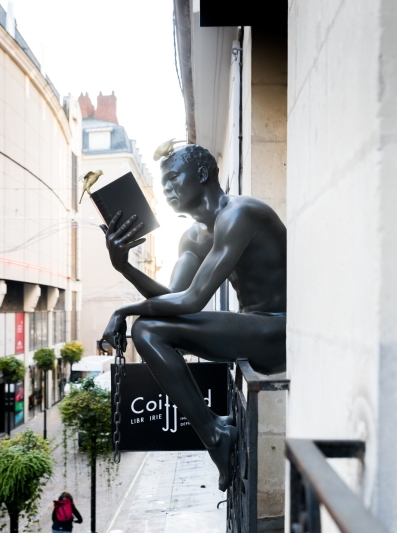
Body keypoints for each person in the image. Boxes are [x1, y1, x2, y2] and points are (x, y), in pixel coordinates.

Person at [100, 144, 286, 492]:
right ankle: (214, 431)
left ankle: (216, 434)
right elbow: (172, 297)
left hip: (280, 331)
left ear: (203, 174)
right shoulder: (195, 237)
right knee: (149, 329)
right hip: (254, 329)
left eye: (173, 179)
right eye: (163, 183)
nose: (167, 189)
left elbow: (191, 301)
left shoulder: (239, 214)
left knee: (146, 328)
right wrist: (123, 265)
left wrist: (123, 311)